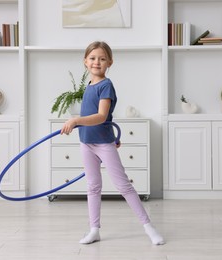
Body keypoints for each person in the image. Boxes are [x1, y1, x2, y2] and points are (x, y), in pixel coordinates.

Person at [61, 41, 165, 245]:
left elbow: (101, 116)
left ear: (110, 62)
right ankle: (94, 230)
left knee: (123, 186)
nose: (96, 62)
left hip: (102, 143)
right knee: (93, 187)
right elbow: (99, 118)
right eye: (92, 58)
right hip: (86, 142)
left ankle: (149, 227)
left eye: (101, 58)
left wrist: (75, 121)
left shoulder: (106, 85)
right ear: (85, 62)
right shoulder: (89, 86)